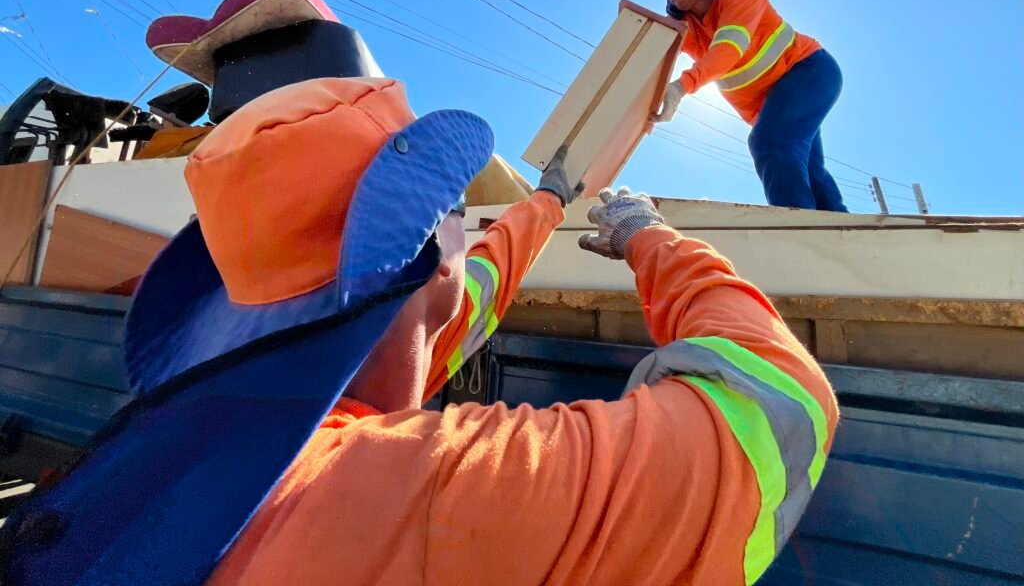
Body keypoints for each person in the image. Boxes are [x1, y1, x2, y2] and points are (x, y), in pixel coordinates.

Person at [4, 77, 837, 586]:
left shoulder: (210, 427)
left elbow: (454, 298)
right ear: (434, 259)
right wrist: (651, 239)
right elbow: (777, 402)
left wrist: (544, 204)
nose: (468, 235)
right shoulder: (433, 490)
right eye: (451, 218)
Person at [647, 0, 849, 213]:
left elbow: (729, 49)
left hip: (808, 72)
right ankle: (844, 238)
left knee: (771, 144)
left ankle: (798, 235)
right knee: (810, 176)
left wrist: (682, 87)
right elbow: (650, 58)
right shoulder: (685, 27)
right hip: (776, 105)